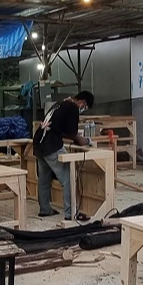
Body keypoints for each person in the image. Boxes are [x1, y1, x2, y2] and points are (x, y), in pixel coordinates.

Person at [33, 91, 95, 221]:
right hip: (51, 145)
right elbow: (71, 132)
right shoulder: (73, 107)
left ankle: (45, 209)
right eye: (85, 107)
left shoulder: (59, 104)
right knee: (68, 177)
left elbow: (61, 128)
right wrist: (84, 141)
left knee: (44, 179)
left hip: (39, 144)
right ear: (82, 102)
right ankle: (71, 213)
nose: (82, 109)